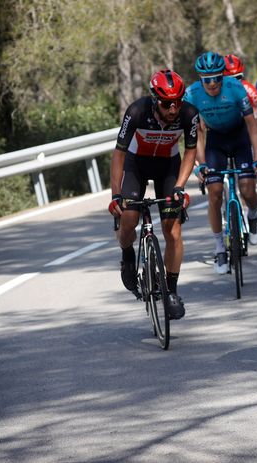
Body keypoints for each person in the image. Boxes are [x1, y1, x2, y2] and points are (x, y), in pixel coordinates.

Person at [108, 69, 198, 320]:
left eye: (178, 102)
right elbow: (119, 154)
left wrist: (180, 186)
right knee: (128, 220)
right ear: (155, 101)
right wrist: (116, 195)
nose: (173, 109)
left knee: (173, 231)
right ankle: (127, 255)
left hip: (168, 167)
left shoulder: (189, 114)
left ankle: (171, 291)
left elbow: (190, 152)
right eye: (168, 103)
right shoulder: (137, 111)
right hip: (136, 164)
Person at [184, 51, 257, 275]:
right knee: (215, 193)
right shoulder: (192, 94)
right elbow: (196, 132)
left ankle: (254, 214)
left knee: (248, 190)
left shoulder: (235, 88)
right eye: (206, 79)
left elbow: (252, 126)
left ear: (223, 76)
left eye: (217, 78)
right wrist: (200, 164)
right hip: (215, 141)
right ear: (200, 78)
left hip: (239, 137)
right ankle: (220, 247)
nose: (212, 84)